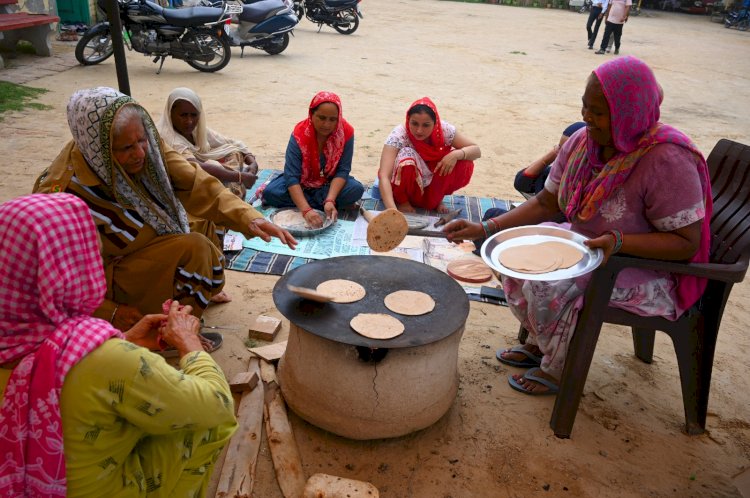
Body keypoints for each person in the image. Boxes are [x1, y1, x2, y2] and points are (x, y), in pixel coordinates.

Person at [444, 56, 711, 395]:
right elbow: (546, 202)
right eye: (585, 107)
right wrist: (486, 229)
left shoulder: (667, 159)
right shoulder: (584, 142)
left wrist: (618, 240)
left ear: (629, 114)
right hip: (590, 247)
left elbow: (685, 242)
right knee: (515, 261)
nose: (587, 118)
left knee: (549, 285)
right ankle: (544, 342)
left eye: (598, 112)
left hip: (648, 269)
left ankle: (559, 369)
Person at [0, 193, 236, 497]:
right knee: (206, 425)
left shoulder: (17, 335)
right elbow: (216, 406)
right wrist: (190, 345)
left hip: (19, 479)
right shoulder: (105, 361)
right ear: (69, 267)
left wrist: (126, 339)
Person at [34, 87, 297, 332]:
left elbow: (197, 182)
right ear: (98, 150)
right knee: (196, 249)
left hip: (147, 238)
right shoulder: (62, 194)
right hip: (107, 279)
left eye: (142, 141)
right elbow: (55, 278)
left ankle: (188, 298)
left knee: (204, 219)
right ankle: (173, 332)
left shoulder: (148, 144)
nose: (140, 153)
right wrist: (111, 311)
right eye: (127, 148)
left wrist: (250, 219)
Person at [262, 91, 365, 229]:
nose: (326, 124)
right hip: (302, 182)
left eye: (332, 119)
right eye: (321, 118)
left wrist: (330, 200)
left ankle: (318, 202)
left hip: (329, 183)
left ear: (338, 118)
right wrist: (306, 210)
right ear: (311, 114)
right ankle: (317, 203)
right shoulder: (299, 135)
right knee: (271, 192)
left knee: (356, 189)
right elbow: (291, 176)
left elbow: (343, 170)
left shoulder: (346, 132)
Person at [378, 97, 481, 214]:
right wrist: (392, 211)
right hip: (407, 188)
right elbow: (384, 175)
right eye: (414, 123)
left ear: (435, 123)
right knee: (406, 156)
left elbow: (476, 150)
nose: (419, 131)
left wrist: (456, 154)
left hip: (432, 184)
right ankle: (403, 202)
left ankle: (436, 200)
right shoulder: (399, 134)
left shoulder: (444, 130)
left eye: (426, 125)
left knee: (464, 160)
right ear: (408, 120)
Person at [157, 87, 259, 200]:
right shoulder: (169, 137)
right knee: (213, 168)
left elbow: (230, 142)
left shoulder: (196, 130)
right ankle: (230, 199)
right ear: (170, 113)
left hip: (203, 174)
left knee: (233, 152)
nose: (189, 121)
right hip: (181, 188)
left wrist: (252, 163)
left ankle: (232, 195)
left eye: (194, 115)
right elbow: (195, 165)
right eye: (183, 115)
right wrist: (239, 177)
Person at [514, 122, 586, 199]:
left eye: (567, 151)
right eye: (560, 149)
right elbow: (521, 183)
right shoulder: (555, 173)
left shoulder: (590, 184)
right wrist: (553, 154)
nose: (562, 155)